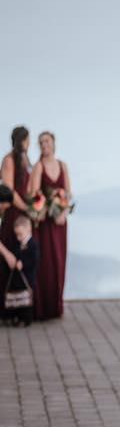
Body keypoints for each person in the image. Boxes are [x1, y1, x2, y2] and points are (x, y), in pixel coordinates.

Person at [29, 131, 71, 320]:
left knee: (59, 262)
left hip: (60, 222)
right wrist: (48, 205)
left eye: (47, 141)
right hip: (45, 223)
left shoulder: (63, 165)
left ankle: (56, 306)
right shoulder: (38, 167)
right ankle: (43, 307)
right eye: (41, 142)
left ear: (53, 143)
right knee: (46, 263)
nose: (44, 144)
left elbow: (68, 193)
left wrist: (63, 212)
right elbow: (35, 194)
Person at [0, 127, 32, 317]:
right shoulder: (9, 160)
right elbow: (9, 192)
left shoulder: (25, 160)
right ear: (22, 140)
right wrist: (26, 208)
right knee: (9, 257)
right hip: (13, 213)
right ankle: (7, 309)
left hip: (24, 216)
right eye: (27, 140)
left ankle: (22, 307)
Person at [0, 215, 39, 326]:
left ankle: (26, 319)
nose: (18, 237)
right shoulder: (17, 244)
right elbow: (15, 254)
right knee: (16, 297)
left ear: (28, 229)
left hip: (27, 277)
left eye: (20, 234)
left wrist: (24, 263)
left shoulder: (33, 245)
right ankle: (14, 316)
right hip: (17, 278)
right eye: (17, 235)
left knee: (26, 299)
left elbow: (34, 259)